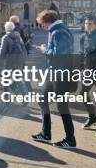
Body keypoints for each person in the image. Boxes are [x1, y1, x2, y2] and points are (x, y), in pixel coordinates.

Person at [32, 9, 76, 148]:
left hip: (61, 74)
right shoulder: (58, 30)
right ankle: (46, 133)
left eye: (42, 24)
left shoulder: (58, 32)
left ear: (47, 22)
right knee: (42, 99)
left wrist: (44, 50)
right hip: (55, 73)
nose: (42, 27)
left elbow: (58, 54)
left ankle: (70, 139)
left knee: (62, 106)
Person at [0, 21, 28, 96]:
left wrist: (3, 57)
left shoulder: (5, 37)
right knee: (18, 78)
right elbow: (23, 46)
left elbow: (2, 50)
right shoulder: (18, 35)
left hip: (9, 60)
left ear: (6, 29)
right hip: (19, 58)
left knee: (6, 78)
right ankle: (25, 94)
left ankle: (5, 95)